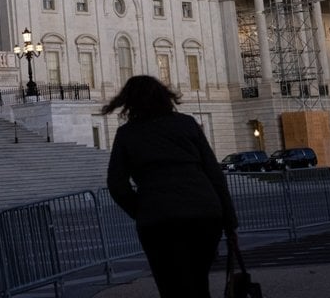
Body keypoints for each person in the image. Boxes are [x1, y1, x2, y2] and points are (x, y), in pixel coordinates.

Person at [102, 75, 238, 298]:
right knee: (198, 280)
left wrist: (140, 209)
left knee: (171, 286)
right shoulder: (186, 124)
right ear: (165, 97)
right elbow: (214, 174)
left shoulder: (128, 134)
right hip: (204, 212)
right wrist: (230, 223)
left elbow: (116, 184)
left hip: (158, 218)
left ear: (129, 102)